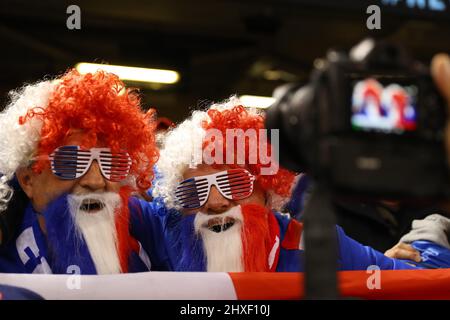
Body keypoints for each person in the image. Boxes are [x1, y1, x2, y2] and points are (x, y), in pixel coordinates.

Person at [149, 96, 424, 272]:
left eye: (234, 182)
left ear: (268, 192)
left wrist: (384, 271)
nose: (216, 202)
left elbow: (420, 281)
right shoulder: (165, 233)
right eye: (192, 191)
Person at [0, 69, 169, 274]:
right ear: (27, 180)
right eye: (71, 162)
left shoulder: (142, 223)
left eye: (112, 162)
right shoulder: (8, 252)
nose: (96, 181)